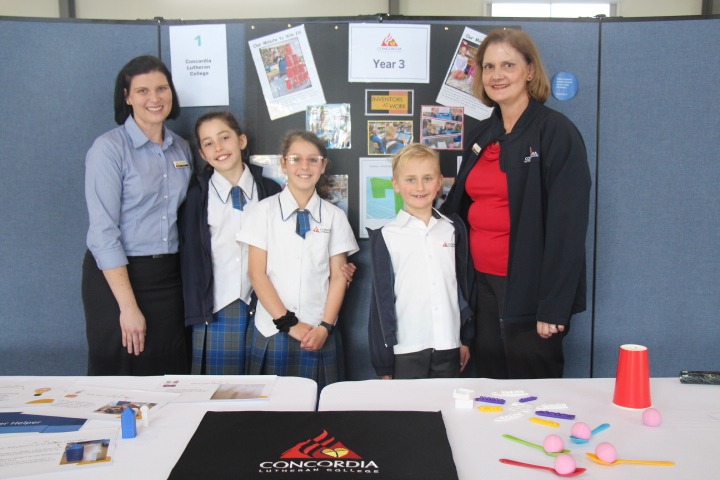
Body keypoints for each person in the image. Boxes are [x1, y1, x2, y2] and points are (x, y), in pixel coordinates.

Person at [440, 28, 591, 379]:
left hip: (530, 290)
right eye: (489, 67)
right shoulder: (481, 133)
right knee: (491, 388)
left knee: (532, 389)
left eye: (508, 65)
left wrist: (554, 306)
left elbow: (568, 227)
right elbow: (458, 209)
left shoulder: (555, 132)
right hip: (481, 285)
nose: (497, 75)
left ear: (530, 71)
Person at [82, 55, 193, 375]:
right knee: (121, 373)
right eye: (142, 91)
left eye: (162, 88)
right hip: (119, 278)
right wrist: (128, 306)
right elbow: (102, 231)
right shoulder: (109, 148)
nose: (154, 98)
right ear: (127, 97)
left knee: (169, 373)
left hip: (168, 277)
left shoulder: (182, 148)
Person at [237, 131, 359, 389]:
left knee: (319, 406)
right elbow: (257, 274)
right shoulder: (264, 212)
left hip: (319, 331)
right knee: (272, 407)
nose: (305, 166)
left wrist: (325, 326)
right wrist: (288, 323)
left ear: (323, 166)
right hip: (273, 329)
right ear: (283, 164)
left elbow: (339, 277)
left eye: (313, 159)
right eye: (296, 159)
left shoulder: (334, 216)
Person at [178, 111, 282, 374]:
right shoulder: (195, 197)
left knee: (269, 387)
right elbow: (188, 257)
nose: (219, 147)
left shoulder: (270, 191)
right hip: (217, 309)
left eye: (224, 138)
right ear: (202, 154)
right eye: (209, 143)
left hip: (266, 305)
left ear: (241, 141)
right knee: (223, 390)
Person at [367, 144, 474, 379]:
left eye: (427, 178)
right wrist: (383, 361)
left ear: (439, 182)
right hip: (406, 347)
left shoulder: (453, 229)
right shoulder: (385, 236)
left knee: (446, 401)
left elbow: (463, 287)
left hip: (449, 342)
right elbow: (381, 301)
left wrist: (465, 338)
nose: (420, 187)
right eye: (411, 179)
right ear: (396, 184)